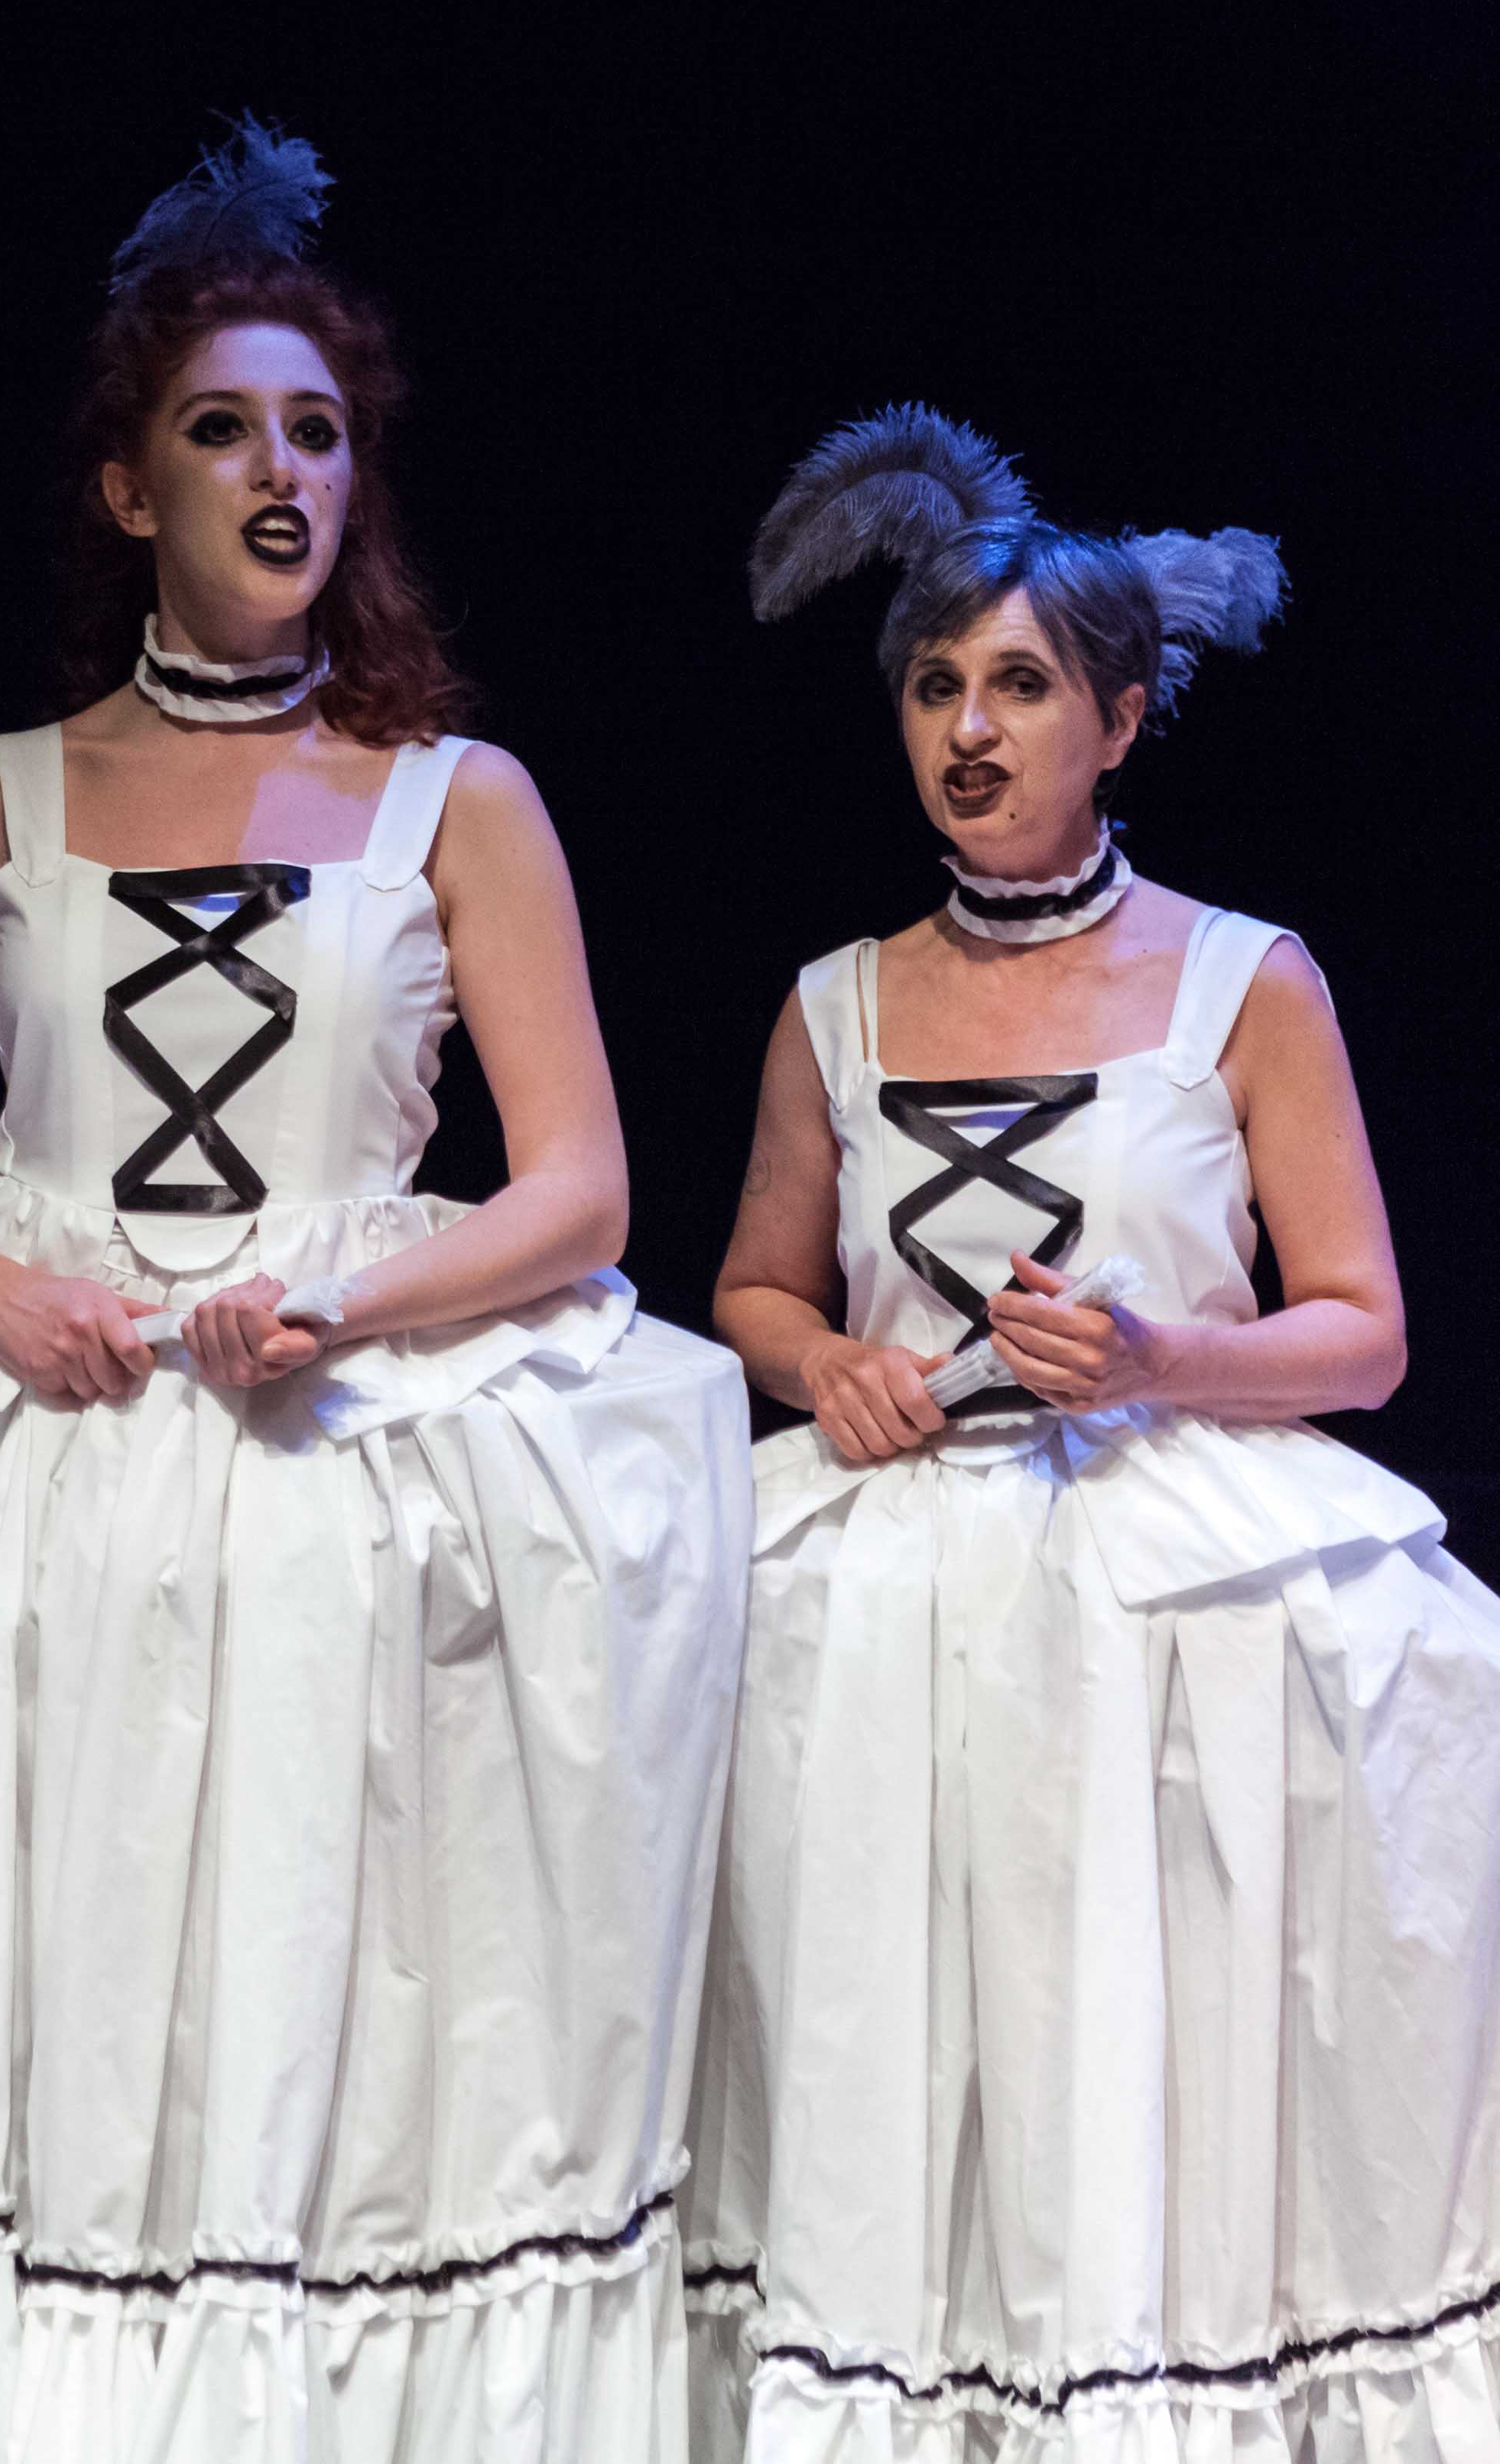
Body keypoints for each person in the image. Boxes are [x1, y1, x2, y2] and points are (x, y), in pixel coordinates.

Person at [0, 122, 748, 2461]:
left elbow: (582, 1188)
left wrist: (348, 1314)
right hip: (42, 1428)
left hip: (339, 1421)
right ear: (129, 490)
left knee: (336, 1936)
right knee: (38, 1944)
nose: (281, 469)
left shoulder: (456, 800)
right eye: (223, 428)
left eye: (316, 429)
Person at [683, 408, 1500, 2459]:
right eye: (933, 685)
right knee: (903, 2034)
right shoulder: (835, 1004)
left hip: (1165, 1571)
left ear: (1122, 722)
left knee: (1157, 2041)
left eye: (1021, 685)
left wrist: (1154, 1358)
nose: (969, 728)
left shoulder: (1246, 981)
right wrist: (826, 1363)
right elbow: (756, 1289)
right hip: (899, 1577)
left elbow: (1366, 1335)